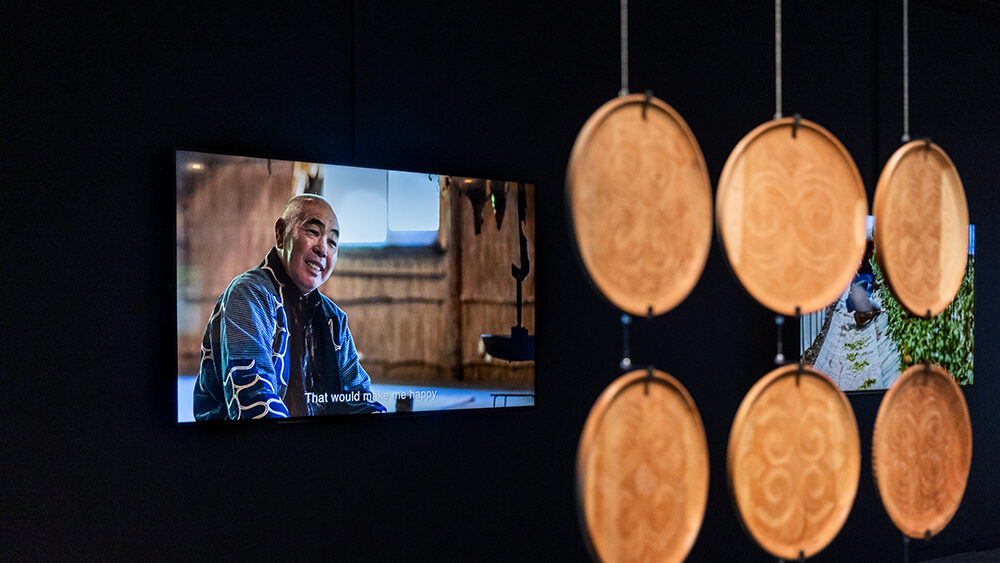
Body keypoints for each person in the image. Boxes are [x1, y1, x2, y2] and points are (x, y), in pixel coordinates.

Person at [193, 194, 385, 420]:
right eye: (313, 232)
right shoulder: (249, 294)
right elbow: (254, 402)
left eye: (332, 242)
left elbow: (358, 398)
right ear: (281, 234)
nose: (323, 249)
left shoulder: (333, 319)